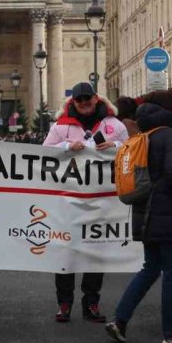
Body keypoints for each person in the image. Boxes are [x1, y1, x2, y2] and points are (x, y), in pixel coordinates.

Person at [105, 88, 172, 343]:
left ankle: (119, 319)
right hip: (168, 213)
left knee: (150, 268)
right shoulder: (169, 135)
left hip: (146, 213)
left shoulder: (143, 135)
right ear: (170, 108)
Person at [43, 82, 129, 323]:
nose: (84, 103)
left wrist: (116, 146)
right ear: (73, 102)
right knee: (65, 252)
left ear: (95, 98)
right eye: (79, 100)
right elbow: (44, 153)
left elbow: (133, 149)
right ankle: (64, 303)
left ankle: (91, 302)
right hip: (69, 200)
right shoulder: (61, 127)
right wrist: (67, 146)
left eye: (87, 99)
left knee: (95, 250)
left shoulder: (114, 125)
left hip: (102, 200)